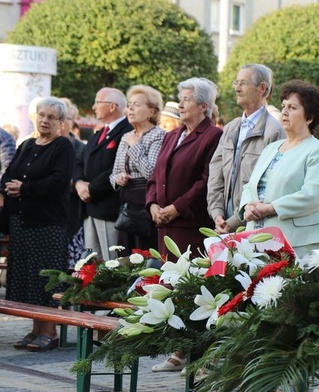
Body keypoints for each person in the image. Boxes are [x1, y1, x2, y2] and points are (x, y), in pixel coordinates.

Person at [147, 78, 223, 373]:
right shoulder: (173, 134)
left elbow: (207, 180)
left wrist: (176, 207)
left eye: (187, 99)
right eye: (180, 98)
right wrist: (153, 204)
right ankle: (178, 349)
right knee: (172, 287)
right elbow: (156, 174)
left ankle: (197, 352)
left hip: (189, 224)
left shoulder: (212, 136)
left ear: (204, 106)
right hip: (165, 225)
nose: (180, 104)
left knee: (193, 288)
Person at [2, 98, 74, 351]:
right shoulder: (26, 144)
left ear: (60, 122)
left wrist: (25, 188)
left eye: (51, 117)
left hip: (48, 224)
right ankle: (34, 329)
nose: (44, 120)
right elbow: (8, 173)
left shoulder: (62, 146)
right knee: (29, 278)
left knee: (46, 279)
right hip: (22, 222)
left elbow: (58, 180)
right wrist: (10, 185)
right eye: (41, 115)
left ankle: (50, 331)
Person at [239, 80, 319, 259]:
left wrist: (269, 208)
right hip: (256, 240)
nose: (284, 112)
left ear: (309, 117)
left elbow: (313, 195)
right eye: (283, 106)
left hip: (298, 243)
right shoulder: (271, 149)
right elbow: (250, 187)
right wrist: (247, 206)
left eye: (292, 107)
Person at [208, 64, 285, 234]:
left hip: (253, 224)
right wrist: (217, 213)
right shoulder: (230, 127)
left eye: (243, 83)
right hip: (223, 219)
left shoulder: (274, 131)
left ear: (262, 88)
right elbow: (215, 173)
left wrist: (236, 220)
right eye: (236, 83)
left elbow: (269, 185)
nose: (236, 88)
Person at [74, 88, 133, 261]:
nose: (94, 107)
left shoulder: (127, 131)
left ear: (112, 106)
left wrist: (91, 188)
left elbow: (120, 166)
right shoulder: (99, 133)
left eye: (98, 102)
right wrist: (78, 183)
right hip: (89, 208)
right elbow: (80, 160)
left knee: (112, 262)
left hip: (109, 208)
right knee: (92, 264)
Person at [110, 85, 166, 251]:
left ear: (151, 112)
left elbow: (151, 173)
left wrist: (135, 147)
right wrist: (118, 179)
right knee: (124, 256)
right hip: (126, 205)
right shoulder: (126, 137)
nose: (131, 108)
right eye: (129, 105)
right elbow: (113, 173)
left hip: (146, 204)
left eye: (137, 104)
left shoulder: (159, 135)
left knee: (144, 255)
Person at [59, 98, 87, 269]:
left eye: (67, 118)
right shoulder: (34, 142)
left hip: (71, 211)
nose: (62, 122)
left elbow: (81, 177)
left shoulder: (78, 147)